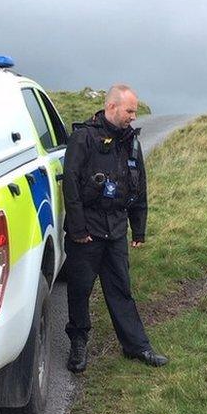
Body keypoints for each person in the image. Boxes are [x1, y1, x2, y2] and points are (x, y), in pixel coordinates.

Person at [62, 84, 168, 373]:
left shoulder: (130, 141)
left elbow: (139, 184)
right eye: (130, 110)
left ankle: (136, 346)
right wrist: (78, 229)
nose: (133, 116)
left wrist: (139, 228)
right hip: (87, 231)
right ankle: (78, 344)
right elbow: (70, 186)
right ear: (111, 107)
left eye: (135, 111)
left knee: (121, 289)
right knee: (80, 290)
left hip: (117, 229)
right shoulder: (83, 138)